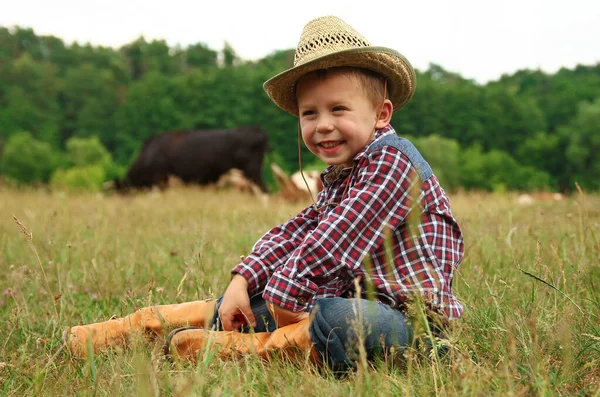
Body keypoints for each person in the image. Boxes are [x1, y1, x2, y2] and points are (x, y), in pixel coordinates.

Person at [67, 15, 464, 371]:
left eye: (338, 109)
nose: (323, 125)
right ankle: (137, 326)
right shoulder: (341, 175)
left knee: (341, 318)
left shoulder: (394, 163)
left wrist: (281, 301)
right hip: (340, 297)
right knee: (250, 303)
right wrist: (244, 278)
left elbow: (330, 245)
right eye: (309, 113)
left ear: (381, 114)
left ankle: (251, 348)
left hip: (410, 320)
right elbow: (296, 231)